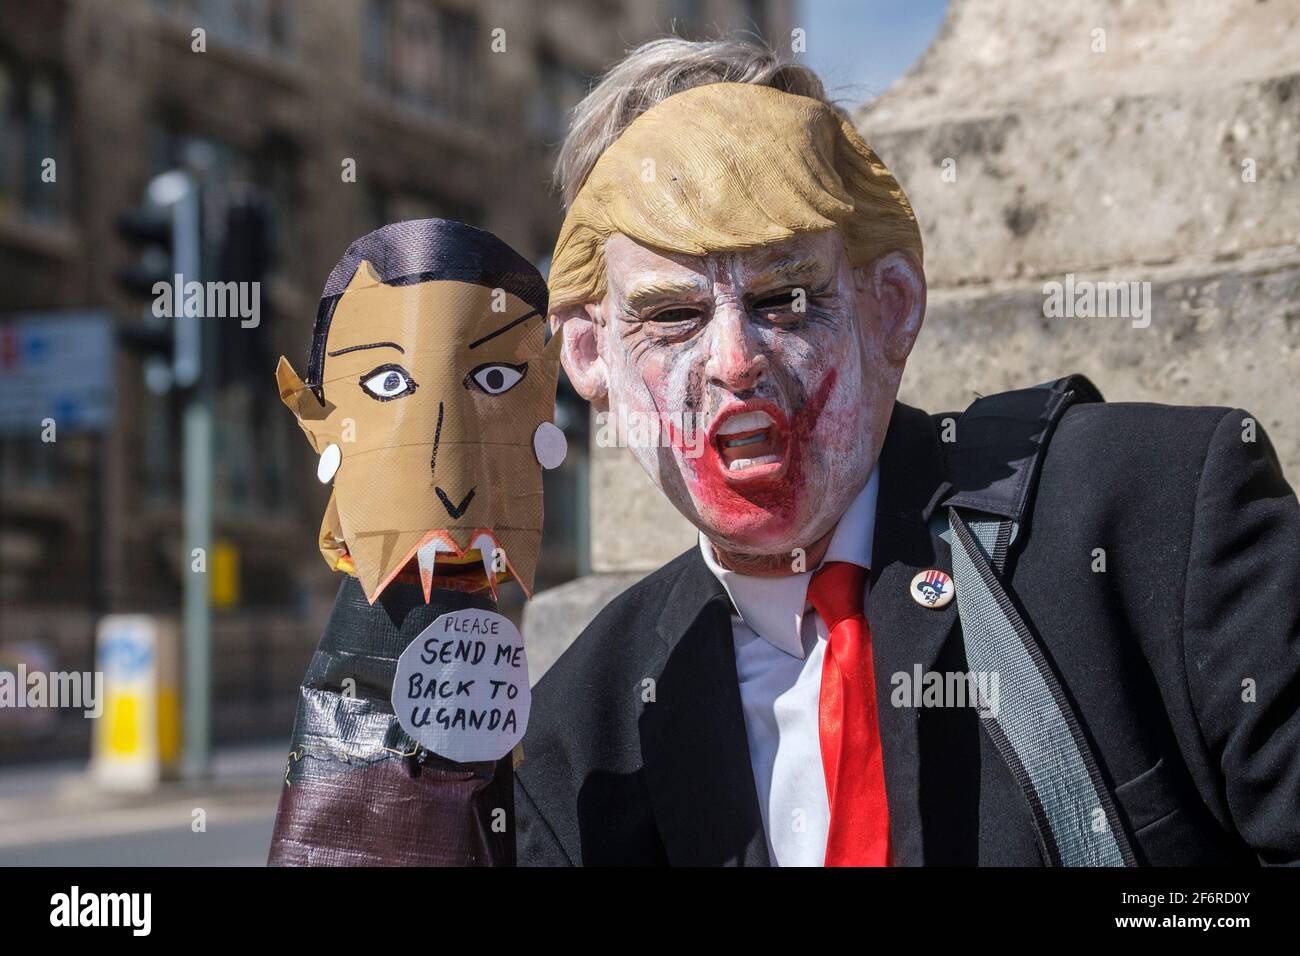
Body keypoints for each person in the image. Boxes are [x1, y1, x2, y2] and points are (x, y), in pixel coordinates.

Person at [512, 37, 1300, 866]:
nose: (734, 360)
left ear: (889, 309)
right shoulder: (583, 736)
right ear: (590, 358)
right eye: (672, 315)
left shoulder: (1157, 518)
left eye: (785, 298)